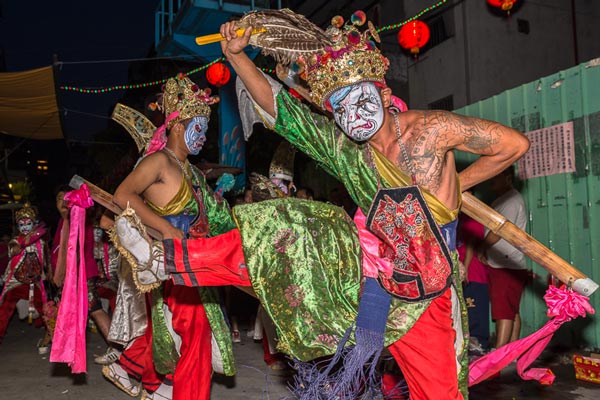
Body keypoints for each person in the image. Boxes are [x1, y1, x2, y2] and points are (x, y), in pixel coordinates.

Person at [218, 11, 529, 399]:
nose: (352, 116)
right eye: (341, 108)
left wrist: (450, 192)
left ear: (383, 94)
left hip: (429, 297)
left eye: (359, 100)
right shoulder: (347, 151)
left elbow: (513, 145)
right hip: (377, 284)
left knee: (440, 393)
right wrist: (236, 57)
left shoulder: (430, 130)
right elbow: (285, 114)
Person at [109, 74, 235, 400]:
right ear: (178, 126)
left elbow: (214, 218)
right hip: (172, 265)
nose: (204, 137)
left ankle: (160, 387)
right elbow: (123, 195)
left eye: (206, 130)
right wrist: (164, 227)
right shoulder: (159, 161)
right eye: (199, 128)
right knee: (195, 336)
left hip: (195, 265)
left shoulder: (192, 171)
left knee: (191, 337)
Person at [479, 166, 528, 350]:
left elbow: (498, 232)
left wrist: (482, 247)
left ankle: (499, 353)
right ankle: (512, 352)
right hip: (504, 263)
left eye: (496, 175)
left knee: (504, 312)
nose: (491, 178)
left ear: (508, 178)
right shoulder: (503, 200)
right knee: (511, 310)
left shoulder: (511, 201)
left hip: (506, 264)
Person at [0, 203, 51, 354]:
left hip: (34, 283)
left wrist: (51, 274)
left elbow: (46, 262)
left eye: (28, 224)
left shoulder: (41, 242)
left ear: (34, 225)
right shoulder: (15, 241)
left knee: (45, 309)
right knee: (5, 307)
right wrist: (25, 241)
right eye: (21, 224)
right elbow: (13, 251)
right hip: (16, 282)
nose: (25, 228)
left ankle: (50, 338)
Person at [456, 212, 490, 357]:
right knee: (465, 313)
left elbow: (471, 245)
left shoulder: (473, 220)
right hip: (461, 271)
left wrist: (466, 267)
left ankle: (479, 345)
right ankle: (468, 345)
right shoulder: (457, 218)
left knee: (475, 311)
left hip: (473, 273)